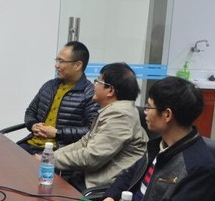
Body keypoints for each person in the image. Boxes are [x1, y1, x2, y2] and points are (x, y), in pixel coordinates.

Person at [97, 77, 215, 201]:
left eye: (149, 107)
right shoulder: (159, 144)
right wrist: (111, 196)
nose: (145, 112)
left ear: (167, 114)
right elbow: (130, 174)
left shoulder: (199, 167)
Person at [52, 62, 147, 191]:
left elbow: (91, 157)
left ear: (110, 90)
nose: (94, 85)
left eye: (98, 81)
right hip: (86, 178)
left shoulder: (120, 116)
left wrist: (50, 159)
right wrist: (49, 156)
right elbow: (84, 143)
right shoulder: (111, 110)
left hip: (98, 188)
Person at [18, 41, 99, 154]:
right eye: (57, 60)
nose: (56, 65)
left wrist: (57, 133)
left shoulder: (90, 93)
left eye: (61, 61)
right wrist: (32, 125)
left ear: (78, 65)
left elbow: (90, 131)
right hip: (30, 143)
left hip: (58, 151)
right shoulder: (50, 85)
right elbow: (30, 111)